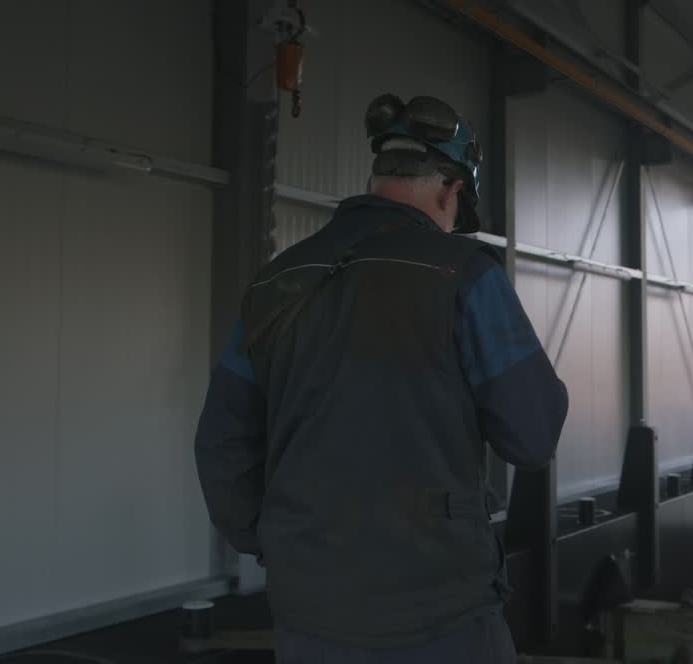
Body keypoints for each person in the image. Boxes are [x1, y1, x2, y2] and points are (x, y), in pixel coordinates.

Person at [194, 93, 569, 663]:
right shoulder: (464, 274)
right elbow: (532, 433)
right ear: (451, 191)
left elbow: (221, 443)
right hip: (441, 609)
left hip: (309, 610)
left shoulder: (274, 282)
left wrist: (278, 538)